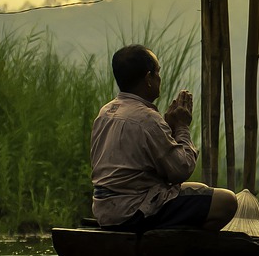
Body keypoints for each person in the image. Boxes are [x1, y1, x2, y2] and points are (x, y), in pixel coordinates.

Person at [90, 44, 237, 231]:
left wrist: (167, 127)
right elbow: (180, 170)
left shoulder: (106, 112)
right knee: (227, 201)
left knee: (198, 187)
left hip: (107, 210)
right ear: (148, 79)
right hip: (134, 211)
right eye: (157, 73)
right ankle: (178, 250)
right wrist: (182, 127)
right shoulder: (147, 118)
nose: (160, 78)